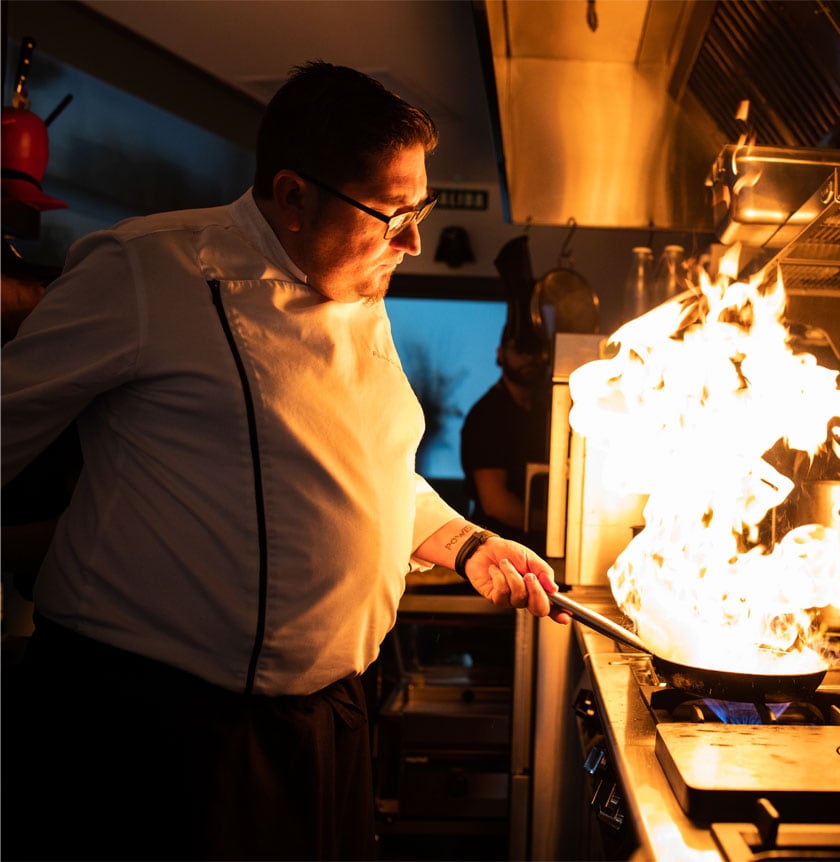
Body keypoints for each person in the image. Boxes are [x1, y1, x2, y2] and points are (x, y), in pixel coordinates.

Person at [0, 61, 567, 862]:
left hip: (325, 726)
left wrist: (469, 543)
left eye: (422, 208)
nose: (411, 240)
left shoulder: (359, 290)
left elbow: (364, 469)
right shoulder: (149, 270)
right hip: (162, 731)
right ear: (293, 196)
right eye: (392, 213)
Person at [460, 319, 553, 550]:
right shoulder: (487, 416)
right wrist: (558, 525)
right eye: (520, 349)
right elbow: (496, 503)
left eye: (536, 351)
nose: (529, 358)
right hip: (497, 549)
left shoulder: (547, 411)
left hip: (540, 548)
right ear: (500, 354)